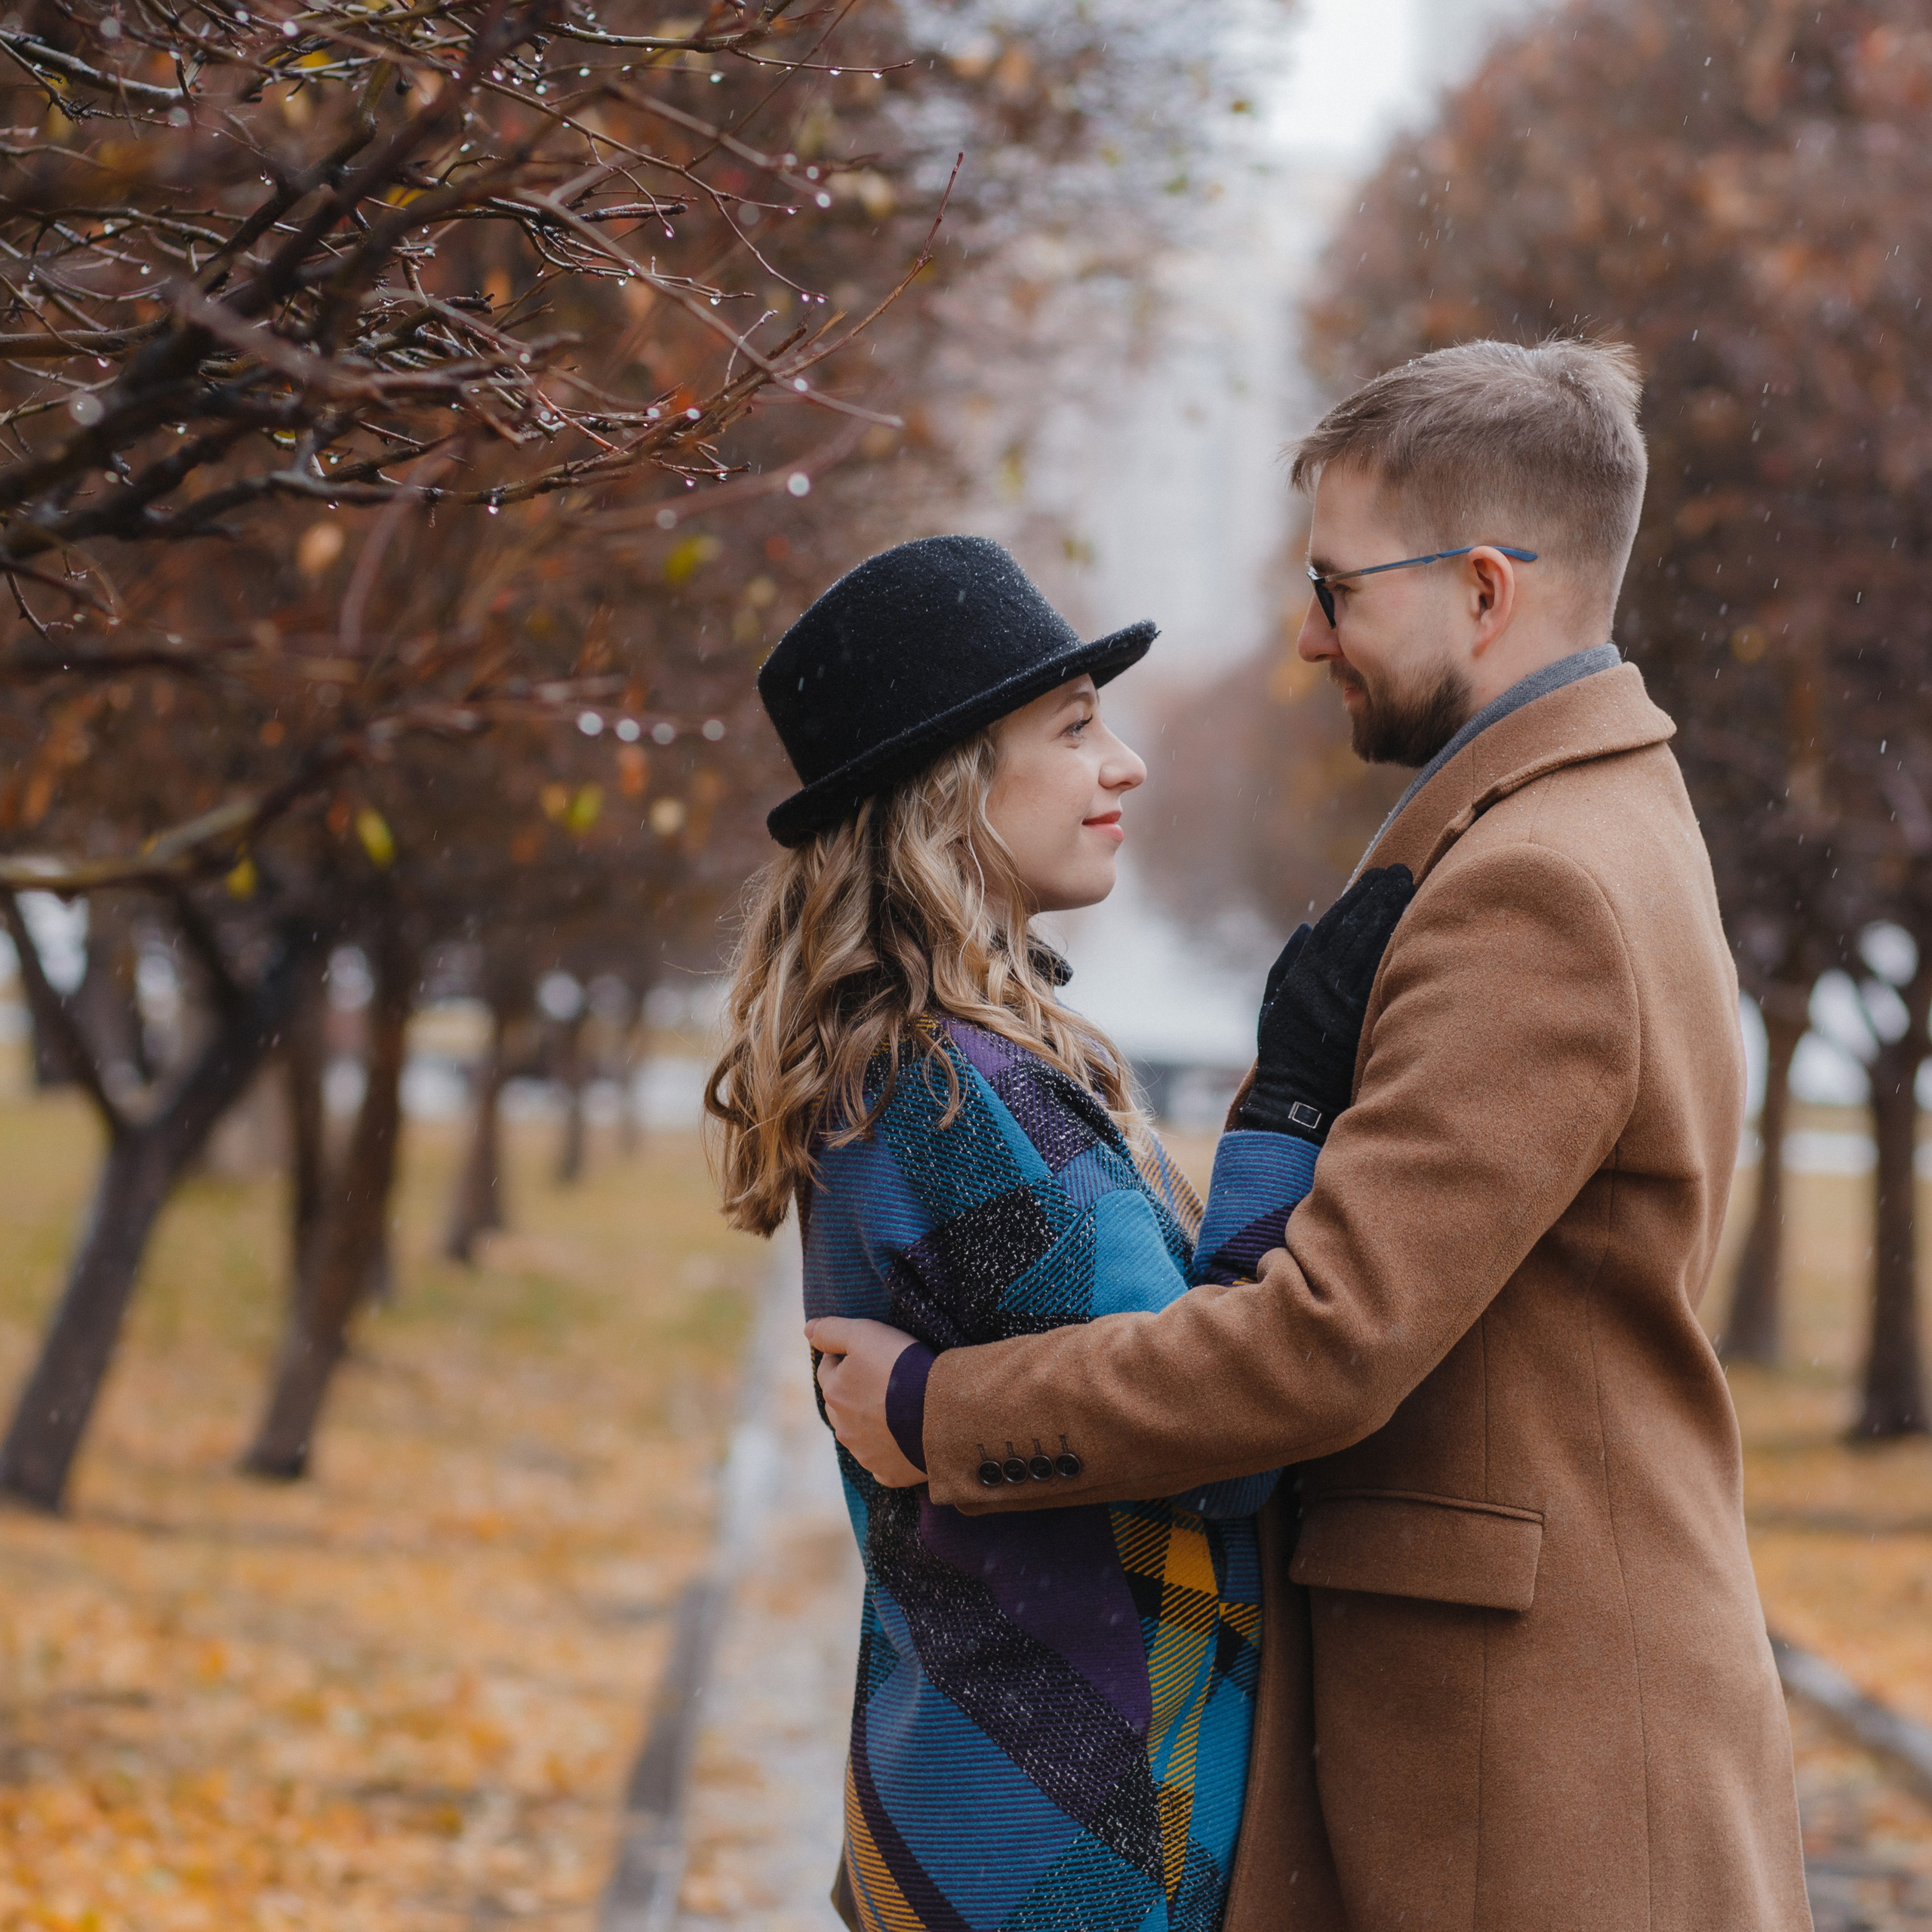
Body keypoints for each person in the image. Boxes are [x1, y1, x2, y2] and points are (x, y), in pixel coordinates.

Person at [810, 342, 1815, 1932]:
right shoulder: (1577, 829)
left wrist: (937, 1407)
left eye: (1337, 587)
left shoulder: (1528, 885)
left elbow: (1324, 1340)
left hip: (1517, 1753)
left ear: (1480, 592)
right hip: (1504, 1718)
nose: (1306, 633)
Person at [706, 534, 1410, 1932]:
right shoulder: (955, 1085)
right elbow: (1213, 1433)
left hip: (984, 1789)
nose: (1125, 764)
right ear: (952, 788)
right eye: (1075, 728)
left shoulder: (903, 1061)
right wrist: (1285, 1107)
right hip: (1077, 1835)